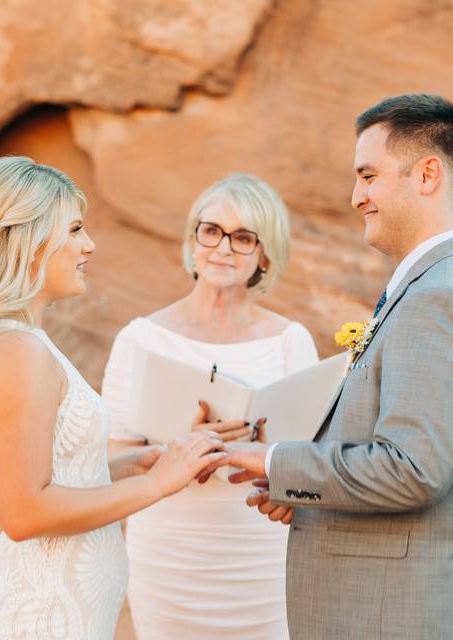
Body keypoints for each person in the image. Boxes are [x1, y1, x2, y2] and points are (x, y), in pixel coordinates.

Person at [0, 156, 228, 638]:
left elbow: (47, 472)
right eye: (74, 229)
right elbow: (22, 510)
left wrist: (142, 462)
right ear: (28, 242)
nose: (88, 245)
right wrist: (159, 484)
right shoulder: (15, 351)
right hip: (37, 619)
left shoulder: (16, 341)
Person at [227, 95, 453, 639]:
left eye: (368, 176)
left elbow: (411, 470)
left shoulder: (442, 297)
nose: (356, 196)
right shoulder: (450, 280)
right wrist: (299, 490)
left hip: (404, 613)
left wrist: (275, 462)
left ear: (427, 174)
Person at [102, 173, 318, 639]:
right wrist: (177, 453)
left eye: (243, 238)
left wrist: (260, 455)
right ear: (193, 241)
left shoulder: (290, 341)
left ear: (264, 255)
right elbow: (108, 465)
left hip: (262, 553)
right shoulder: (140, 339)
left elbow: (312, 462)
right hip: (168, 553)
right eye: (211, 231)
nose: (223, 248)